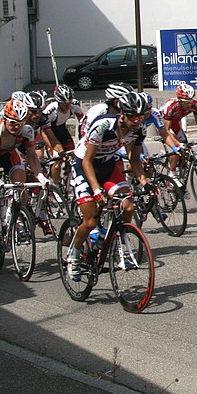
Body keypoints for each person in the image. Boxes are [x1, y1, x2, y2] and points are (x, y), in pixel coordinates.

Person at [65, 92, 150, 278]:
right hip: (84, 165)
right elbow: (87, 161)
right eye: (133, 116)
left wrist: (146, 183)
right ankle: (74, 254)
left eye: (141, 116)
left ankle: (112, 237)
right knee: (90, 220)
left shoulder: (139, 130)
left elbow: (134, 160)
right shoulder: (103, 125)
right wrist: (96, 189)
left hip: (107, 165)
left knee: (128, 207)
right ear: (123, 114)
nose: (137, 121)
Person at [0, 99, 47, 259]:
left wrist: (40, 175)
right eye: (13, 123)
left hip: (9, 156)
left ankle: (18, 218)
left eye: (20, 123)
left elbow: (32, 157)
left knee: (20, 187)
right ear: (5, 119)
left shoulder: (26, 130)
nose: (17, 127)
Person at [160, 83, 197, 176]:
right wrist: (177, 144)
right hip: (163, 126)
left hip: (175, 124)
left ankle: (181, 172)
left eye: (190, 101)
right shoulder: (171, 106)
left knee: (186, 149)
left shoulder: (195, 105)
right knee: (177, 148)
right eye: (185, 102)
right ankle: (172, 174)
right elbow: (166, 130)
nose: (189, 104)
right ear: (179, 100)